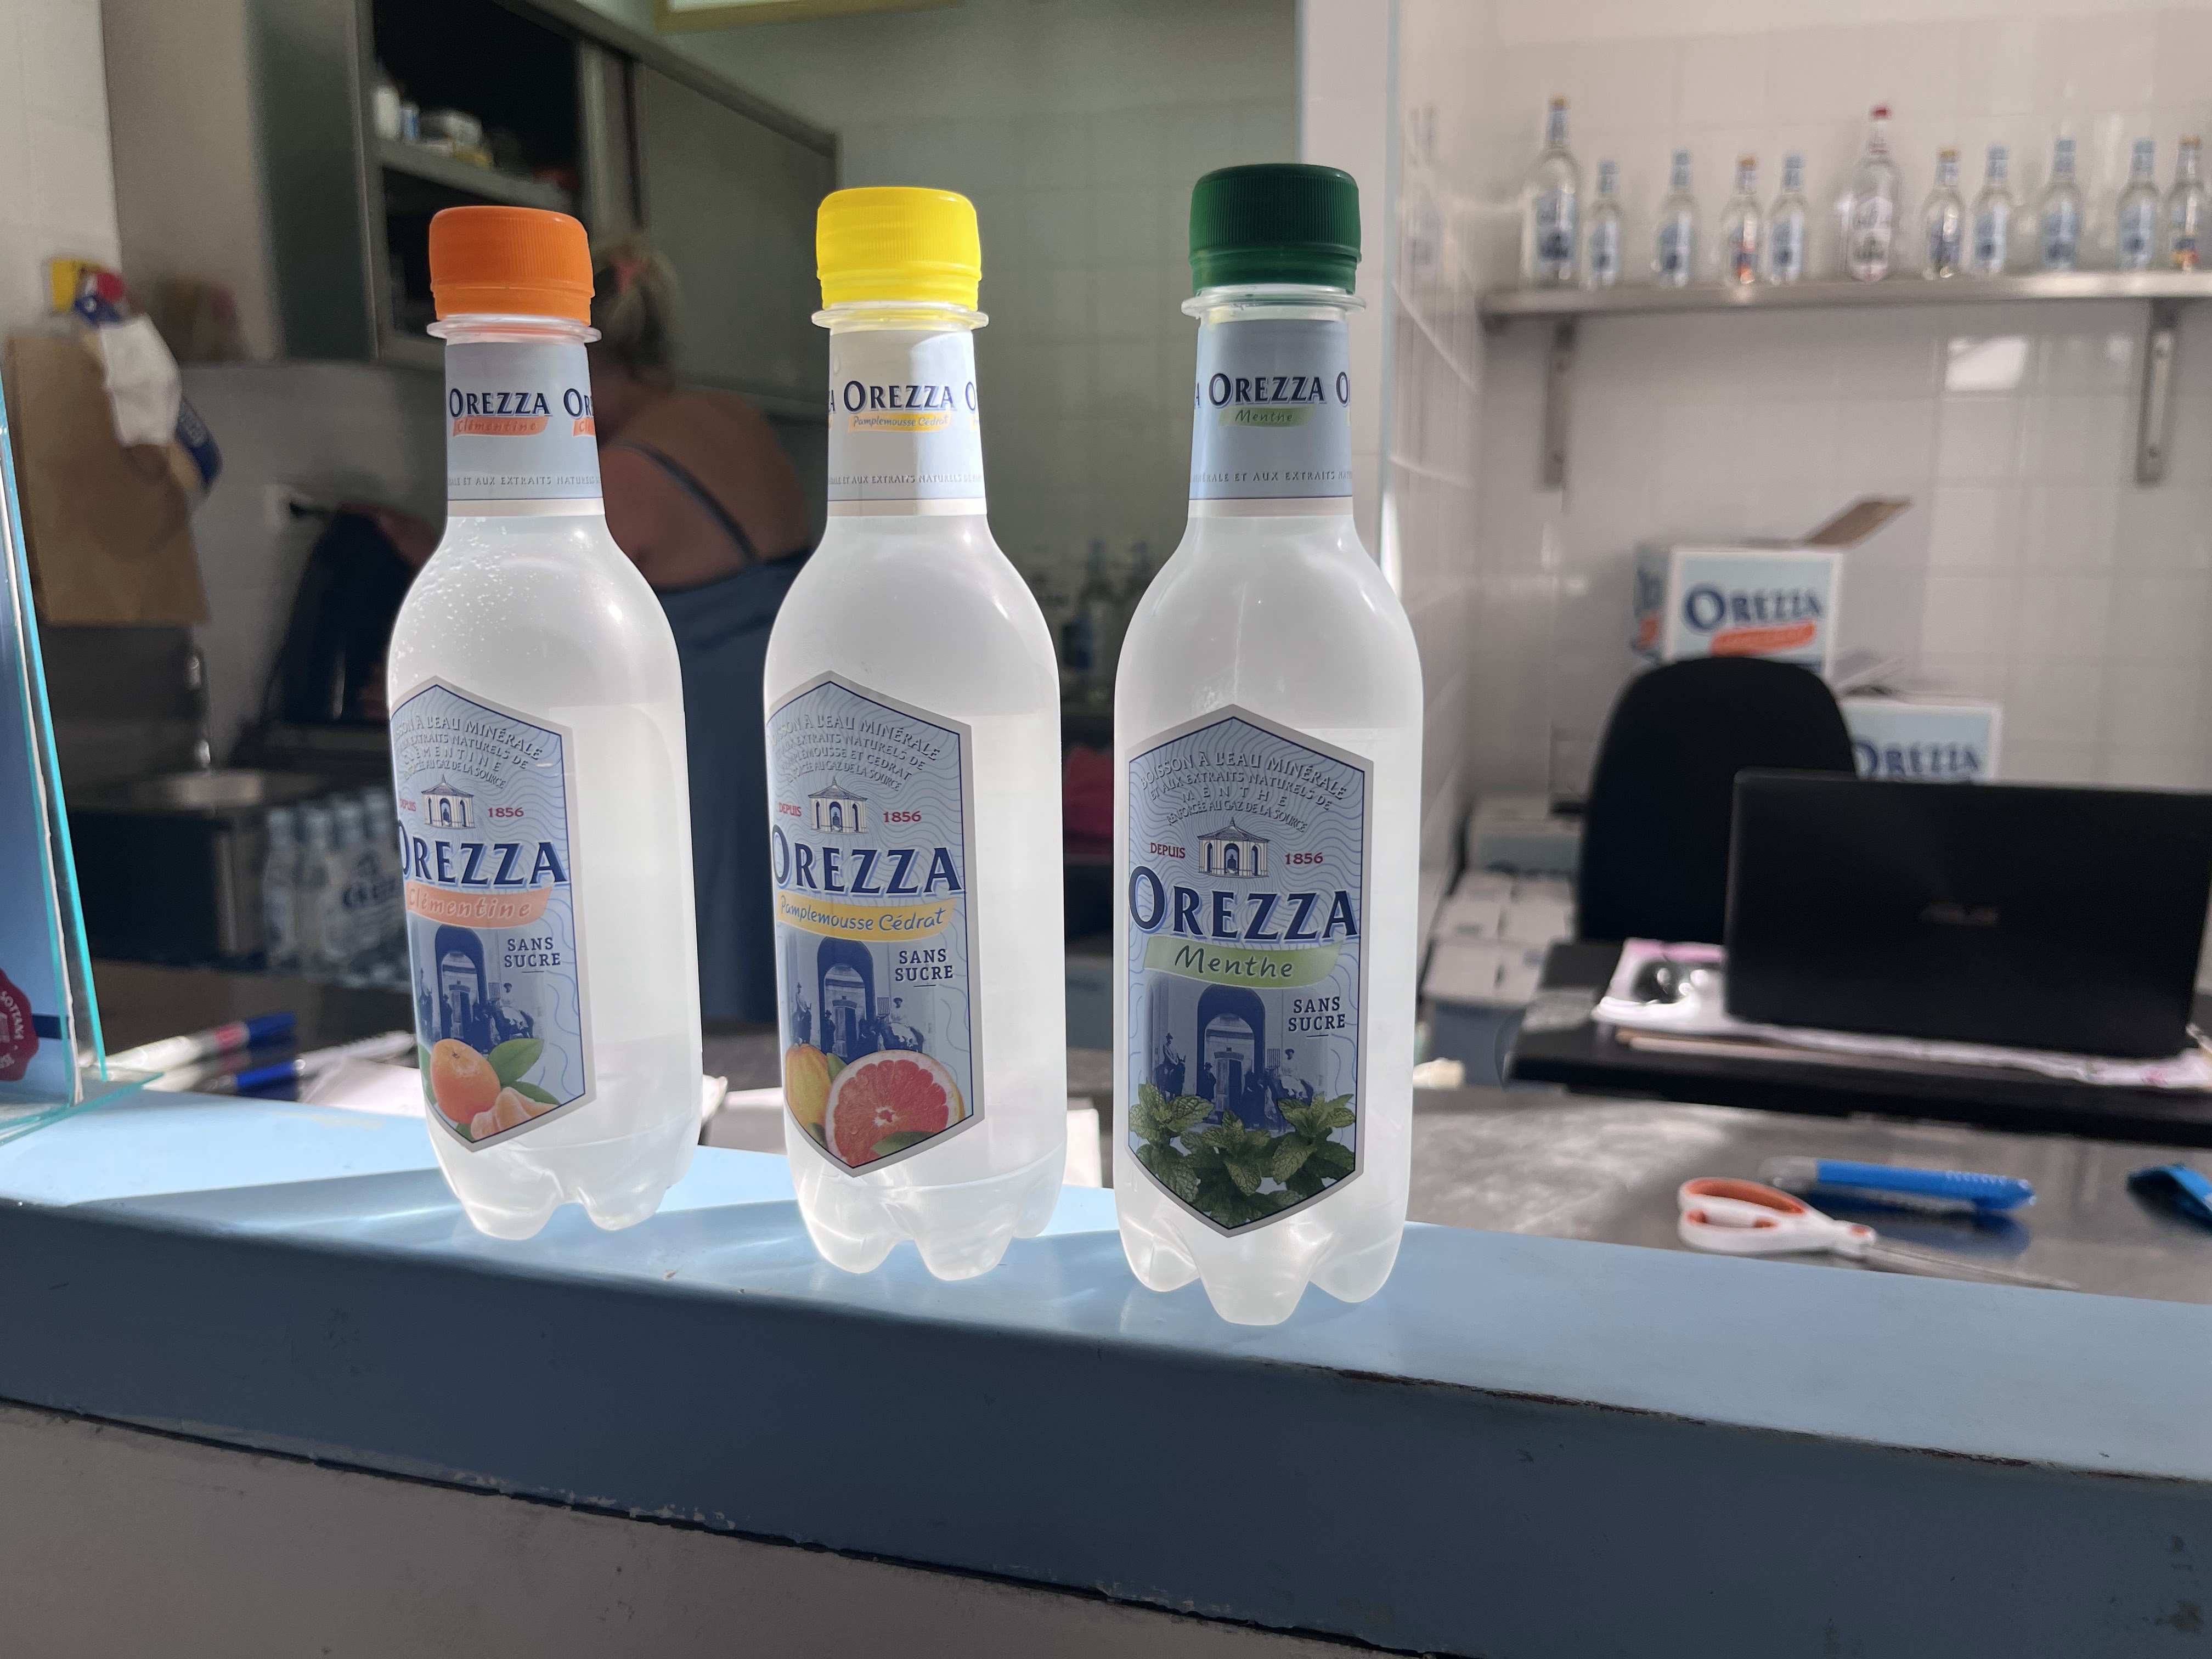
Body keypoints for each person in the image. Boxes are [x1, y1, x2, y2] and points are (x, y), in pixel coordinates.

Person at [588, 238, 813, 1025]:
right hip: (792, 708)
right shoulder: (737, 418)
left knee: (719, 937)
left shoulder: (620, 473)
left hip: (710, 732)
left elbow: (566, 637)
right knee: (790, 907)